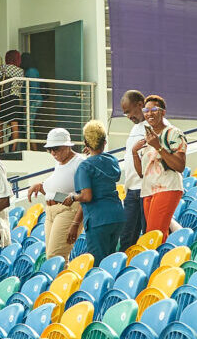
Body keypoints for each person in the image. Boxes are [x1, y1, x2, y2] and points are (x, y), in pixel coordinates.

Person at [133, 95, 188, 234]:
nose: (149, 113)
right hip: (148, 190)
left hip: (167, 186)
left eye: (154, 109)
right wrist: (134, 153)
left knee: (154, 233)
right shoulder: (148, 137)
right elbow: (141, 173)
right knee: (154, 233)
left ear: (163, 112)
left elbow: (180, 166)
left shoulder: (173, 133)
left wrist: (158, 147)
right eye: (146, 110)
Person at [73, 122, 127, 260]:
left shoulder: (85, 166)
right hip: (117, 216)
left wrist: (73, 197)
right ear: (104, 142)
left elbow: (86, 196)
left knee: (98, 262)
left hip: (98, 219)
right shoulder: (112, 160)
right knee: (111, 260)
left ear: (86, 143)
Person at [30, 128, 82, 259]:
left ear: (67, 146)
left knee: (55, 257)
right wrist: (41, 186)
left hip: (68, 211)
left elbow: (85, 196)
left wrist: (75, 224)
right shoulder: (58, 163)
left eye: (56, 148)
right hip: (51, 211)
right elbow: (58, 192)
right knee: (53, 257)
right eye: (50, 149)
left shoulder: (79, 162)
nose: (53, 153)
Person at [115, 90, 149, 249]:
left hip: (146, 190)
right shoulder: (134, 129)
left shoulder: (153, 125)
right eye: (125, 113)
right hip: (131, 191)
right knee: (126, 238)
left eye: (129, 111)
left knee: (149, 235)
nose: (128, 116)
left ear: (140, 105)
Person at [0, 48, 26, 147]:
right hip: (15, 99)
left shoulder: (3, 67)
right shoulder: (21, 71)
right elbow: (20, 85)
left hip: (4, 98)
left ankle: (1, 147)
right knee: (14, 123)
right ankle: (14, 148)